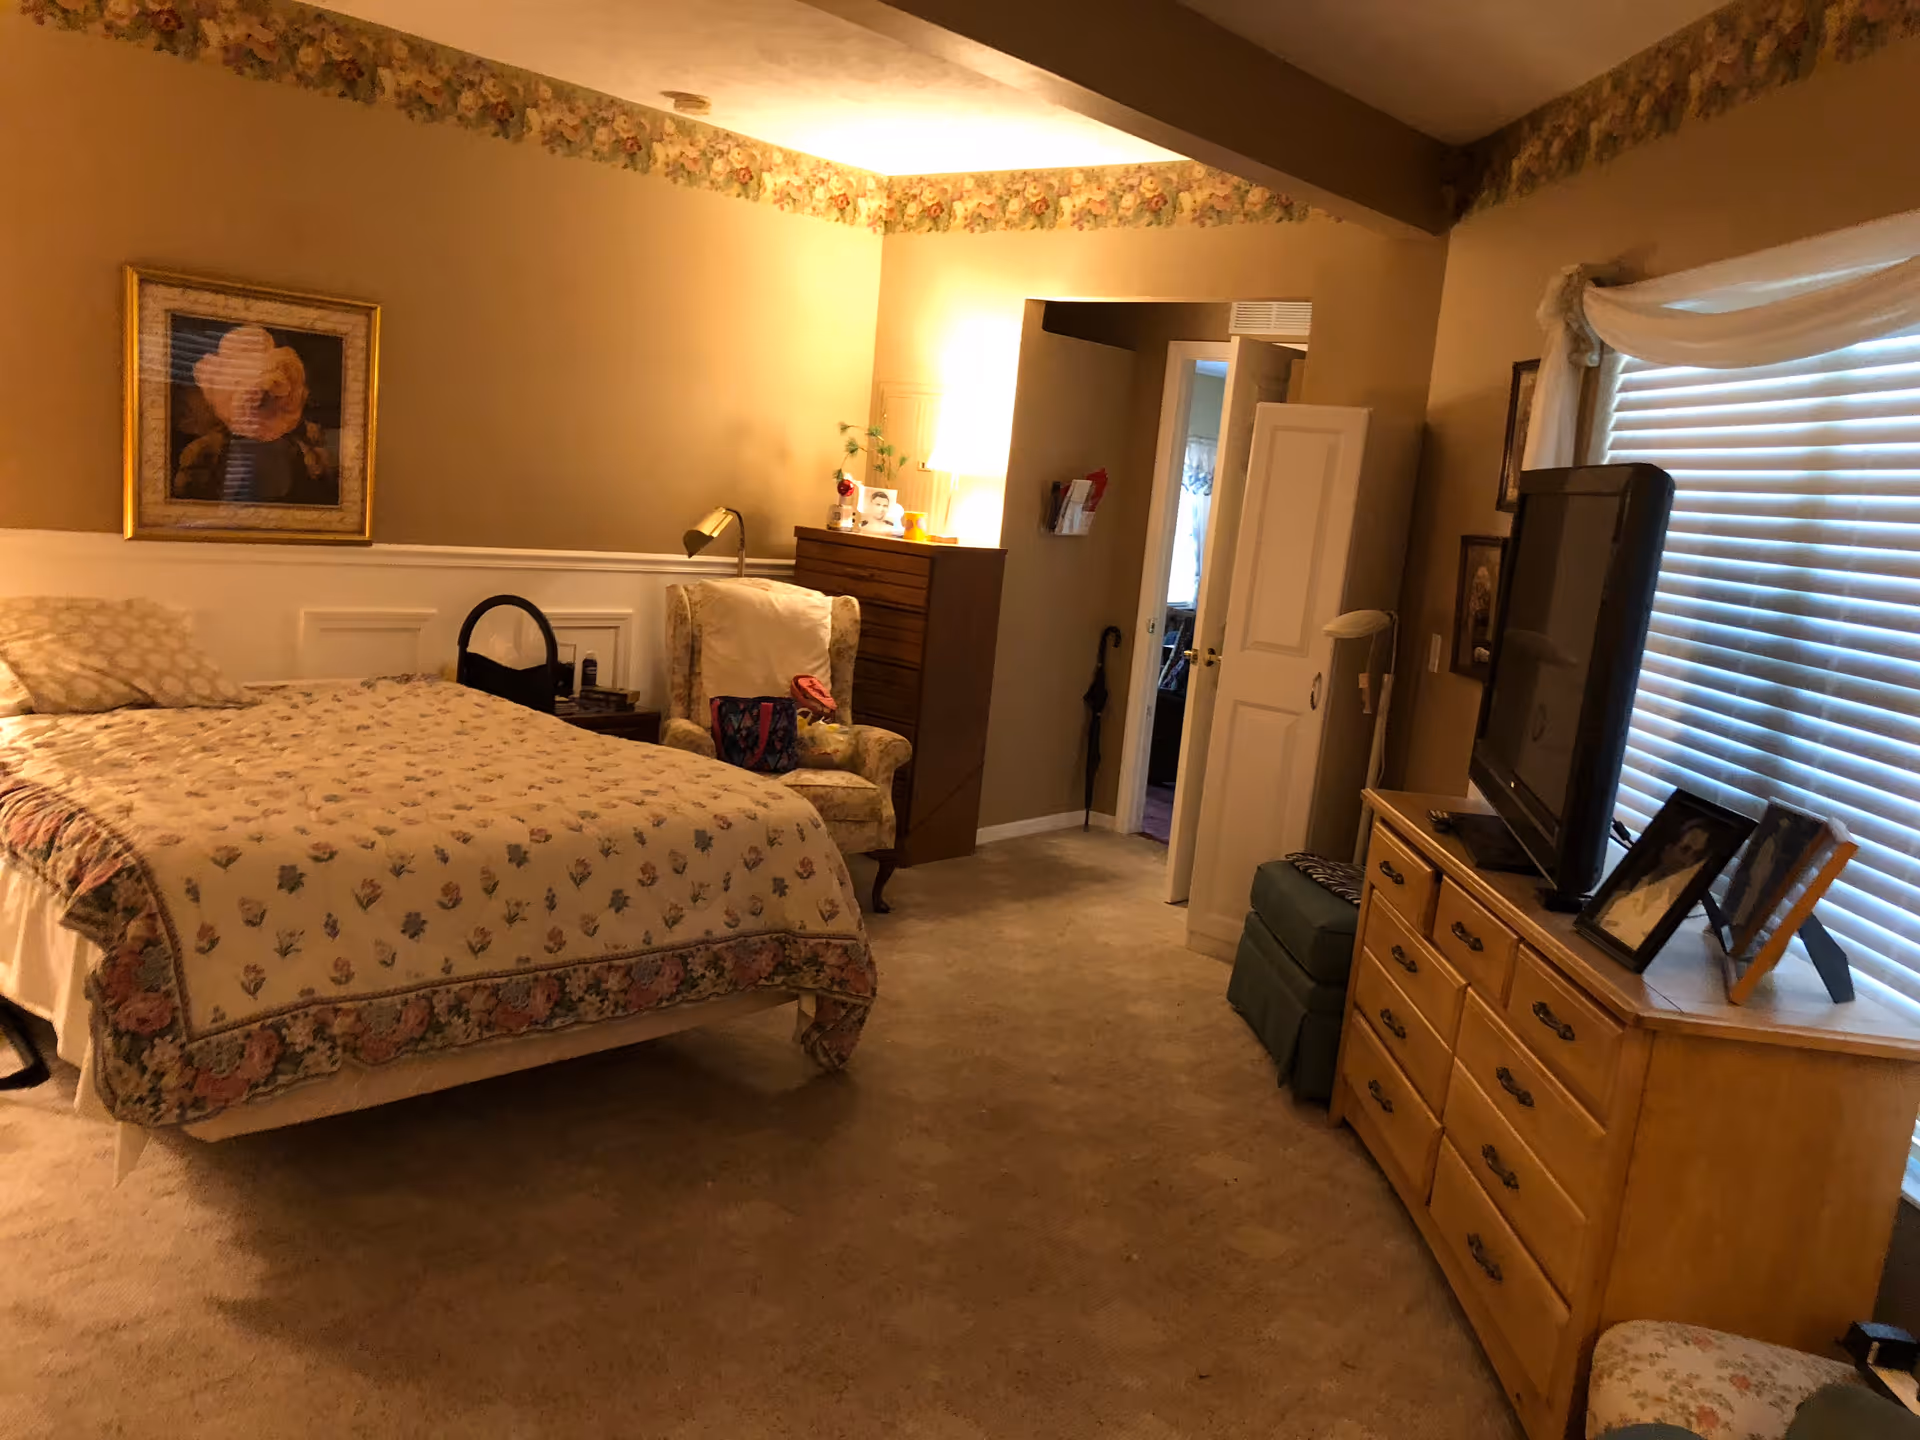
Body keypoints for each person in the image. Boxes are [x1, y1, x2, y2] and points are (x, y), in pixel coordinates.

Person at [1594, 821, 1714, 950]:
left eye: (1696, 857)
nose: (1687, 862)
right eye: (1685, 850)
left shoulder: (1681, 916)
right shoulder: (1625, 890)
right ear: (1668, 848)